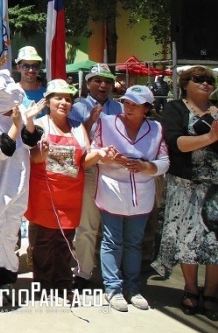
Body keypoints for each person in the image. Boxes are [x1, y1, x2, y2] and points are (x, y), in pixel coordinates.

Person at [26, 79, 109, 296]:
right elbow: (34, 157)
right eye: (58, 98)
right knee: (43, 242)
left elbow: (84, 160)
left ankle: (62, 285)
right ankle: (43, 286)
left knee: (65, 242)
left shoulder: (78, 127)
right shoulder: (40, 125)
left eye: (68, 99)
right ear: (49, 101)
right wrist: (42, 154)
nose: (64, 102)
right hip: (45, 195)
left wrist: (98, 155)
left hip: (71, 196)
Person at [91, 85, 169, 312]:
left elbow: (164, 162)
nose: (129, 107)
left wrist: (147, 166)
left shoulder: (156, 128)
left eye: (135, 104)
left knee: (134, 243)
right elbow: (95, 152)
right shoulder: (106, 123)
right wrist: (108, 158)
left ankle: (133, 288)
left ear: (147, 107)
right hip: (112, 191)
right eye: (126, 102)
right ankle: (113, 288)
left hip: (141, 194)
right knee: (112, 241)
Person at [153, 67, 218, 321]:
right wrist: (210, 138)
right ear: (185, 83)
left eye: (209, 80)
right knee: (186, 239)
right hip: (185, 185)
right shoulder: (175, 109)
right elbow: (174, 143)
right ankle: (191, 288)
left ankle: (212, 291)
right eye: (198, 79)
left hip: (215, 187)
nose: (205, 83)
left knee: (215, 242)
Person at [0, 70, 43, 299]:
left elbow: (31, 140)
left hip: (18, 184)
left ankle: (7, 276)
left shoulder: (20, 115)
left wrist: (29, 120)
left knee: (11, 233)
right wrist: (16, 124)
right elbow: (1, 151)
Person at [68, 63, 122, 290]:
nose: (103, 85)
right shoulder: (77, 108)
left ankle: (114, 274)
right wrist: (90, 120)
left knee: (114, 226)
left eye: (107, 81)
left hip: (116, 171)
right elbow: (74, 140)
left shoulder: (120, 108)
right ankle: (83, 271)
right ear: (88, 83)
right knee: (87, 224)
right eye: (98, 80)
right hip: (90, 169)